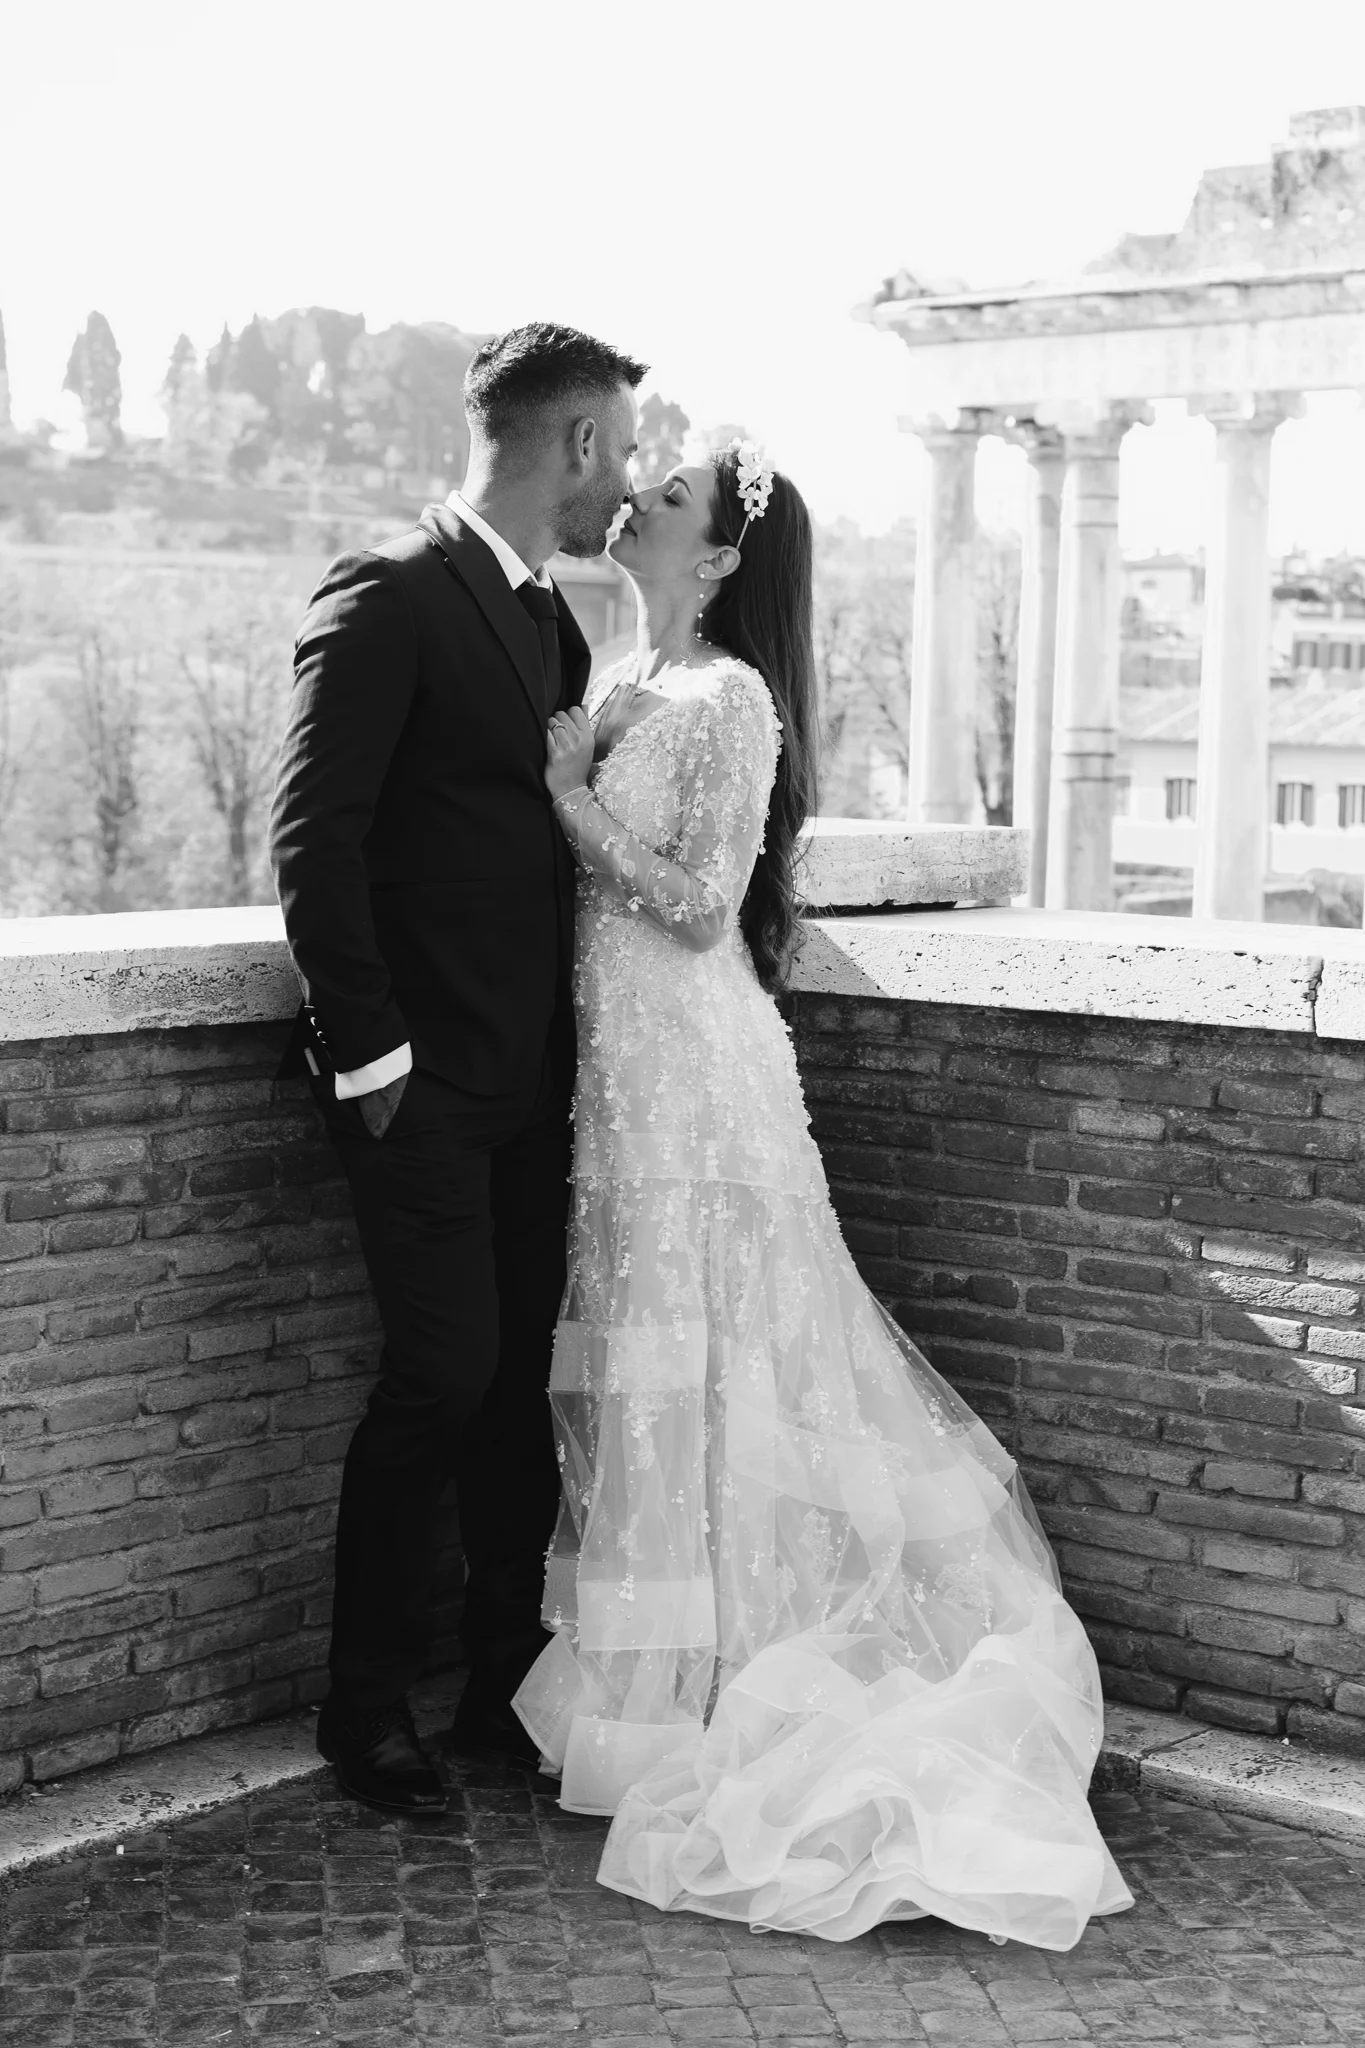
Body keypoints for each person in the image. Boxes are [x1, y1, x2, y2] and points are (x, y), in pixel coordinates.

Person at [511, 442, 1134, 1948]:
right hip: (622, 1077)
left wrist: (569, 798)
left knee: (722, 1348)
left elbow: (704, 901)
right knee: (649, 1346)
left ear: (717, 559)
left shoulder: (730, 697)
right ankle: (643, 1693)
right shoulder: (621, 670)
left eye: (663, 503)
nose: (635, 505)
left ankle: (713, 1693)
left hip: (701, 1072)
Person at [270, 322, 645, 1814]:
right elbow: (316, 841)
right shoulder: (387, 595)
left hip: (531, 1086)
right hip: (419, 1088)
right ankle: (361, 1713)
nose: (628, 480)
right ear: (565, 445)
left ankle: (500, 1687)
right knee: (439, 1379)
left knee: (514, 1400)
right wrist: (370, 1056)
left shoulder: (552, 622)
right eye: (617, 448)